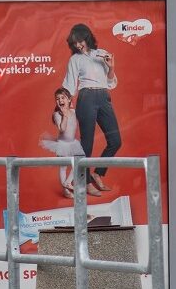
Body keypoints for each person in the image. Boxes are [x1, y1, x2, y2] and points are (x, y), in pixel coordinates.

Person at [61, 23, 121, 197]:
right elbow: (70, 85)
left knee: (115, 140)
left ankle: (98, 172)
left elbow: (110, 81)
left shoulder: (101, 54)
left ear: (86, 37)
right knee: (87, 144)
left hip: (103, 97)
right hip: (86, 98)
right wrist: (65, 107)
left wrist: (111, 67)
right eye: (74, 44)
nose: (78, 46)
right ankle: (86, 182)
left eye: (79, 41)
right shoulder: (75, 60)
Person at [39, 87, 85, 198]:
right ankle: (66, 190)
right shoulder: (57, 115)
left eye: (63, 98)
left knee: (80, 163)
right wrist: (64, 115)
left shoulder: (74, 112)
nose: (60, 100)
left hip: (73, 143)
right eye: (57, 98)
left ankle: (67, 183)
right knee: (63, 167)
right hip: (62, 144)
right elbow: (62, 129)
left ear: (69, 99)